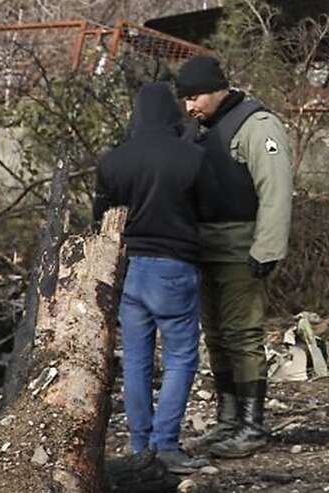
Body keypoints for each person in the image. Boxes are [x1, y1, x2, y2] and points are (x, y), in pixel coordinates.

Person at [95, 82, 218, 476]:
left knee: (135, 361)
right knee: (181, 358)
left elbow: (100, 217)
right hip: (174, 267)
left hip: (130, 269)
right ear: (171, 113)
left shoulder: (113, 161)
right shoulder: (193, 157)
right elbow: (211, 212)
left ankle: (138, 445)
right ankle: (165, 445)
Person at [177, 55, 294, 460]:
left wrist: (267, 250)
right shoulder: (197, 129)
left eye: (195, 97)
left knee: (243, 335)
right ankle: (227, 420)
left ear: (218, 88)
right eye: (184, 99)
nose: (190, 106)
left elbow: (276, 192)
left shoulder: (257, 126)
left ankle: (251, 424)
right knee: (216, 335)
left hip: (242, 247)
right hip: (203, 247)